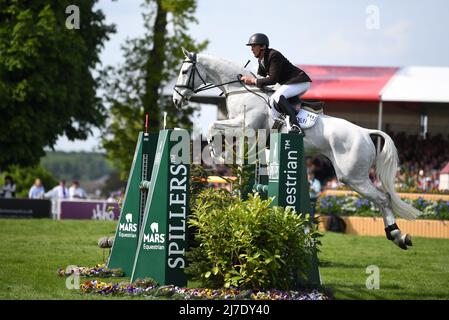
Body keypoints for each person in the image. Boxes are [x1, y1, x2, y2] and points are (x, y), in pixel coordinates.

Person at [240, 33, 312, 133]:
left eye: (253, 46)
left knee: (277, 97)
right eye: (251, 46)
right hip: (289, 83)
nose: (251, 49)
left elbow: (272, 80)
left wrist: (252, 80)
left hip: (299, 81)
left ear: (263, 46)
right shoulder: (261, 60)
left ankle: (296, 126)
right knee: (271, 99)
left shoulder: (273, 55)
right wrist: (243, 78)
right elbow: (260, 78)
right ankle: (281, 125)